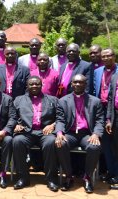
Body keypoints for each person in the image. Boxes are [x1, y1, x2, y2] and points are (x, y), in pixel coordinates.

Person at [55, 74, 104, 193]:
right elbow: (60, 119)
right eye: (75, 82)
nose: (77, 84)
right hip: (70, 133)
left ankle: (87, 177)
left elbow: (99, 120)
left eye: (80, 82)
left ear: (85, 84)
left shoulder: (95, 101)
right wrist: (59, 133)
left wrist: (96, 134)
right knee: (61, 144)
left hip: (87, 133)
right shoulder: (63, 101)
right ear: (71, 84)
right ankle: (68, 176)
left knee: (95, 147)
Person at [12, 76, 59, 191]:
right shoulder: (19, 100)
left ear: (41, 85)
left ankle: (50, 179)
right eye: (31, 84)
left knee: (51, 142)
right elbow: (12, 116)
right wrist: (15, 125)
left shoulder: (53, 100)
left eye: (37, 84)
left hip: (45, 132)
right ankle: (23, 177)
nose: (34, 86)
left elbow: (61, 117)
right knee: (17, 141)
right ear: (27, 86)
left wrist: (53, 125)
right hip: (26, 132)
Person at [102, 49, 118, 189]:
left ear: (114, 57)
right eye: (104, 56)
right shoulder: (115, 77)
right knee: (109, 146)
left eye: (109, 55)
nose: (106, 58)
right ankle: (112, 173)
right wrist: (108, 119)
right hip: (113, 116)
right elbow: (111, 99)